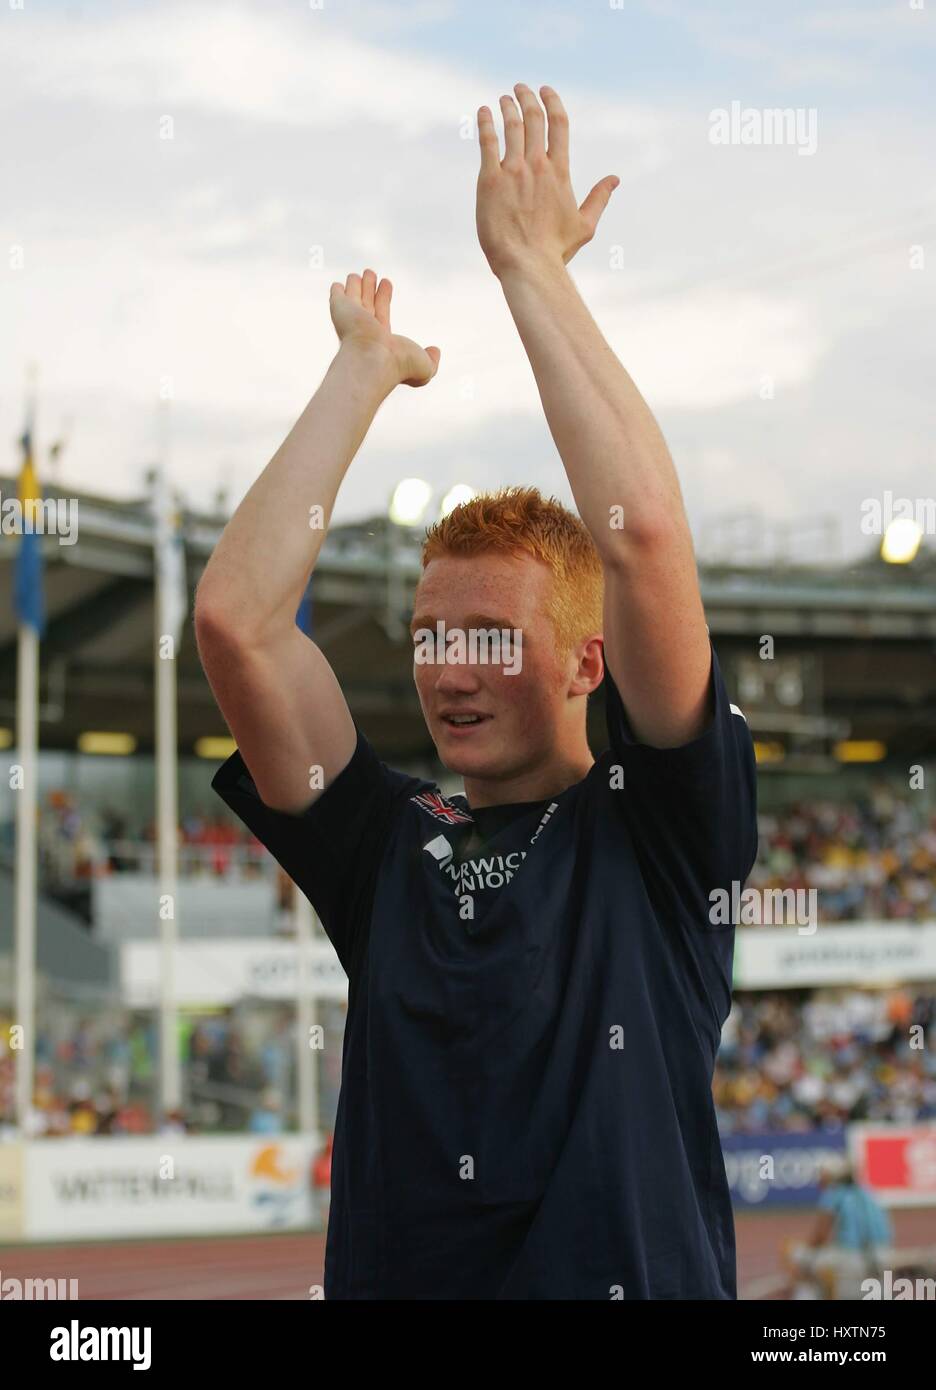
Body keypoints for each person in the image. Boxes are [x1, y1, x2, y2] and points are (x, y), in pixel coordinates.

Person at [196, 83, 757, 1299]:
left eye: (493, 639)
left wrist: (529, 270)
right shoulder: (388, 849)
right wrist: (361, 373)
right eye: (428, 636)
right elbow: (238, 625)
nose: (451, 669)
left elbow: (646, 540)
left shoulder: (660, 830)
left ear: (583, 662)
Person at [784, 1157, 894, 1299]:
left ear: (831, 1177)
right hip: (883, 1255)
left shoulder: (833, 1194)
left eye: (821, 1176)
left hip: (852, 1257)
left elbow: (820, 1237)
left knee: (798, 1257)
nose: (819, 1181)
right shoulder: (868, 1192)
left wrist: (805, 1256)